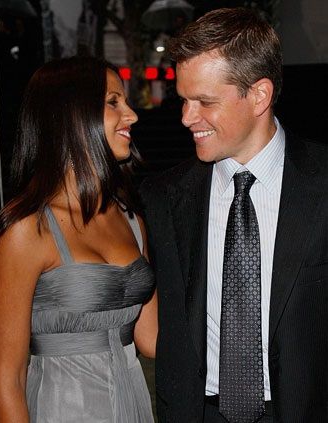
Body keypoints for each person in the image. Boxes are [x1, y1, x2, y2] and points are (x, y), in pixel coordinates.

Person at [140, 8, 328, 422]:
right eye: (184, 100)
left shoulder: (322, 183)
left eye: (205, 101)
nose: (187, 118)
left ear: (259, 95)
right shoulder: (163, 197)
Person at [0, 56, 158, 423]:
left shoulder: (131, 217)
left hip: (134, 406)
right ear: (71, 114)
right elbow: (7, 379)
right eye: (113, 102)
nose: (132, 115)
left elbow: (152, 339)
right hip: (62, 409)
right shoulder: (23, 230)